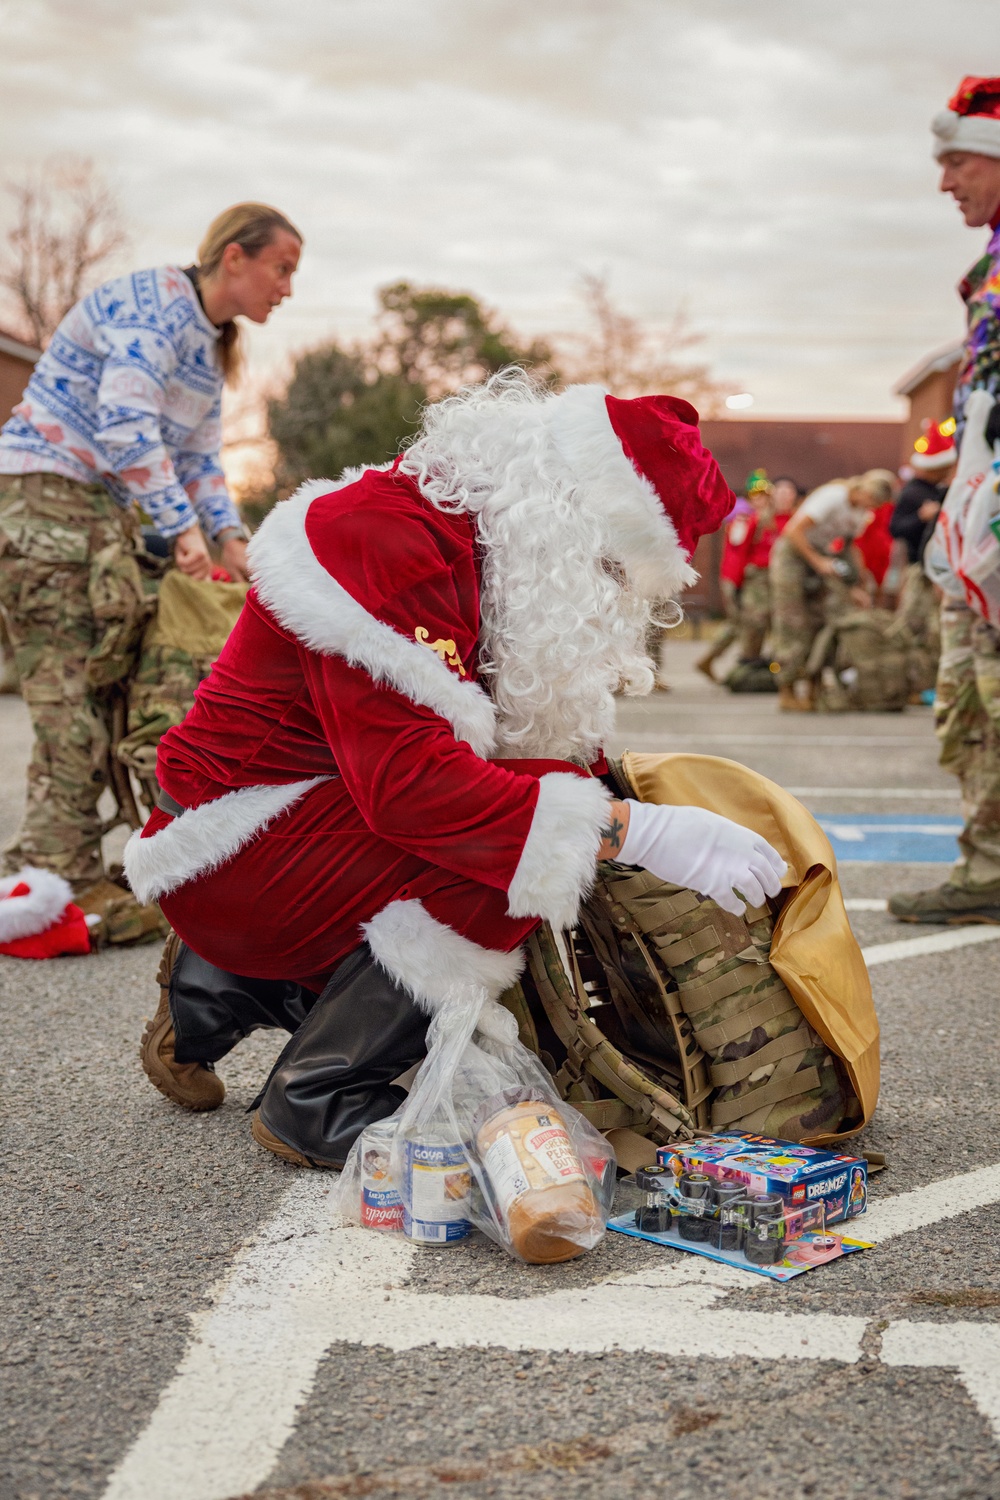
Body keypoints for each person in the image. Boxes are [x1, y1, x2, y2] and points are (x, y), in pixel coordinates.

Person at [124, 373, 786, 1167]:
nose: (608, 592)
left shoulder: (480, 538)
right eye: (610, 565)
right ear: (568, 509)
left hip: (279, 829)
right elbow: (414, 791)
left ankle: (220, 987)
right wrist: (629, 829)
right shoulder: (384, 540)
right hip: (229, 845)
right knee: (522, 842)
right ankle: (319, 1093)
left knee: (554, 801)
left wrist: (623, 803)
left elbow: (518, 736)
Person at [0, 203, 302, 913]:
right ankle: (46, 877)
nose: (288, 288)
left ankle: (60, 873)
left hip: (95, 514)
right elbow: (127, 424)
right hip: (45, 503)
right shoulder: (154, 307)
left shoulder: (207, 342)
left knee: (98, 692)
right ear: (235, 256)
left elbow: (197, 457)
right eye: (282, 268)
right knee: (70, 696)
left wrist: (231, 539)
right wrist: (181, 528)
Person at [889, 77, 1000, 923]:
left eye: (958, 161)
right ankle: (987, 866)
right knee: (970, 703)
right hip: (976, 518)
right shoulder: (990, 267)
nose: (943, 181)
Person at [769, 470, 895, 710]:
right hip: (793, 554)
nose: (872, 507)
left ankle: (813, 687)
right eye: (872, 500)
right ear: (864, 490)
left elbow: (849, 548)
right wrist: (817, 562)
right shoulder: (834, 496)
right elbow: (793, 531)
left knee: (822, 619)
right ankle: (787, 689)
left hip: (821, 555)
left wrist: (858, 584)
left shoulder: (859, 512)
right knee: (792, 621)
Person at [890, 420, 956, 697]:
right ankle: (909, 684)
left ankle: (926, 683)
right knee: (913, 626)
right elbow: (896, 528)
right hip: (920, 569)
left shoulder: (939, 491)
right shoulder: (913, 493)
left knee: (932, 630)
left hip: (937, 569)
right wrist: (921, 517)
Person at [695, 469, 770, 682]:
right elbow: (737, 551)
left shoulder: (760, 519)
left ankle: (718, 660)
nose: (761, 500)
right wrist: (736, 584)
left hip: (744, 579)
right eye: (756, 496)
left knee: (745, 623)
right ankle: (714, 659)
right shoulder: (744, 519)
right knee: (741, 623)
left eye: (764, 496)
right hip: (735, 578)